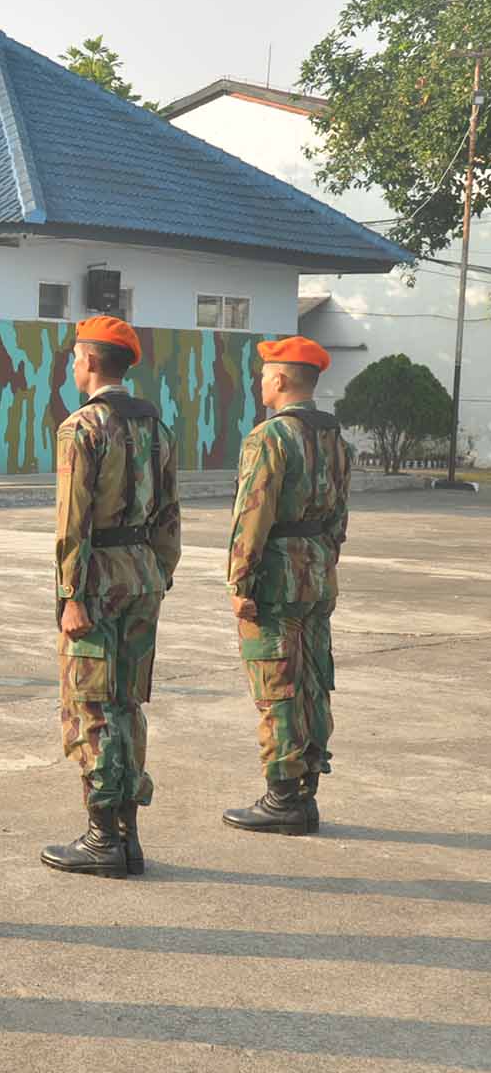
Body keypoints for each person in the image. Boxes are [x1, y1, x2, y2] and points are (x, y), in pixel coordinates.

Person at [40, 315, 180, 879]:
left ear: (91, 361)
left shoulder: (82, 428)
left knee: (91, 707)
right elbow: (171, 513)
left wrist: (70, 593)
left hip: (97, 581)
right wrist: (158, 572)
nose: (74, 365)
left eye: (76, 356)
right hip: (143, 574)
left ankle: (102, 836)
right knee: (126, 702)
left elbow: (72, 522)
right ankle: (127, 834)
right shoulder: (157, 426)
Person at [221, 337, 351, 835]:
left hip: (275, 578)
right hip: (318, 576)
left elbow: (252, 514)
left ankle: (282, 797)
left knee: (277, 684)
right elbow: (340, 514)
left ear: (280, 380)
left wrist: (240, 580)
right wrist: (323, 560)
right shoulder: (333, 435)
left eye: (264, 375)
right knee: (315, 682)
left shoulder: (270, 437)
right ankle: (307, 790)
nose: (260, 382)